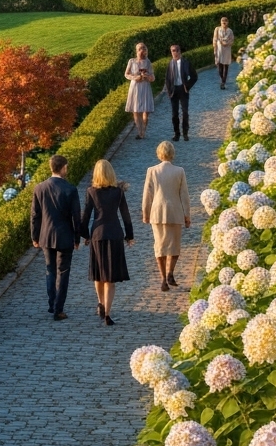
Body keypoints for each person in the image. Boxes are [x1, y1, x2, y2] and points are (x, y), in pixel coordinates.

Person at [81, 159, 134, 326]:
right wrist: (129, 235)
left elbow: (86, 216)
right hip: (114, 233)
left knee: (99, 273)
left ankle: (100, 302)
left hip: (97, 234)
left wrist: (85, 235)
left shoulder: (91, 191)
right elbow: (125, 215)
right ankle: (107, 315)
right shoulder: (118, 192)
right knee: (110, 278)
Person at [31, 154, 81, 321]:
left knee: (50, 270)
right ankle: (58, 309)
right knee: (63, 272)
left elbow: (35, 215)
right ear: (63, 167)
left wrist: (35, 236)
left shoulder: (39, 188)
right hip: (65, 236)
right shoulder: (70, 189)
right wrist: (77, 238)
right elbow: (76, 216)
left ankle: (52, 302)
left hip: (45, 235)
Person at [142, 140, 191, 292]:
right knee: (175, 246)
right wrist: (187, 215)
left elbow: (147, 194)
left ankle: (163, 278)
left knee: (160, 246)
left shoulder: (152, 170)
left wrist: (145, 213)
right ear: (172, 154)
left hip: (157, 212)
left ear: (159, 153)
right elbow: (185, 195)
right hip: (175, 211)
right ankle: (170, 273)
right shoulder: (179, 171)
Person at [165, 44, 198, 141]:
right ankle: (176, 133)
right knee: (174, 114)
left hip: (183, 89)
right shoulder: (170, 64)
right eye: (172, 51)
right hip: (174, 90)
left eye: (176, 50)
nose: (174, 53)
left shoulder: (186, 63)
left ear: (180, 51)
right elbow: (167, 79)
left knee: (185, 112)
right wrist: (169, 90)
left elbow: (194, 76)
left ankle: (185, 133)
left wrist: (187, 85)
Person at [124, 43, 155, 139]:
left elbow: (153, 77)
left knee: (146, 111)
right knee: (136, 110)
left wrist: (148, 77)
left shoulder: (148, 62)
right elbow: (126, 74)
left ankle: (143, 130)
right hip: (135, 87)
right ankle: (139, 131)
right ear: (137, 50)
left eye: (143, 49)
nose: (142, 51)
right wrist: (135, 77)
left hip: (145, 87)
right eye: (140, 49)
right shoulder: (132, 61)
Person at [213, 16, 235, 90]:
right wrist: (215, 50)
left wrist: (228, 43)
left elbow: (232, 40)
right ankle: (222, 79)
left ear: (227, 23)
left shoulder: (230, 31)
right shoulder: (217, 29)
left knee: (226, 66)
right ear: (221, 23)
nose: (224, 24)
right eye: (223, 23)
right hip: (219, 50)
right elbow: (214, 40)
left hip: (227, 50)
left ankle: (223, 82)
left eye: (225, 23)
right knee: (220, 67)